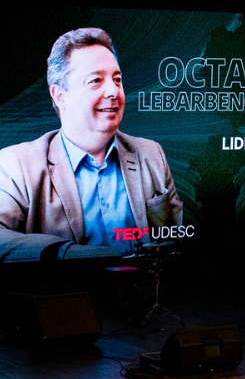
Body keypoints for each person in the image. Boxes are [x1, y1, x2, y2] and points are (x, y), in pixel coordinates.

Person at [0, 27, 182, 263]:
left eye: (117, 80)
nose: (113, 91)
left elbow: (180, 238)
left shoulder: (151, 154)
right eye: (95, 80)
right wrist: (68, 254)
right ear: (59, 95)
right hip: (65, 296)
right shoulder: (16, 165)